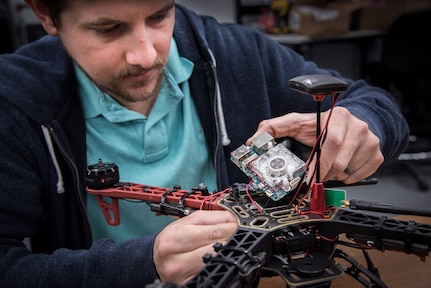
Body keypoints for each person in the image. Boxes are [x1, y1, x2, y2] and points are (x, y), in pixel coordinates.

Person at [0, 0, 409, 287]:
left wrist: (362, 127)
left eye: (160, 16)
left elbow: (375, 104)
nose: (146, 55)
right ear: (45, 13)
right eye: (108, 29)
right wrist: (143, 263)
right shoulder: (13, 100)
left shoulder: (239, 54)